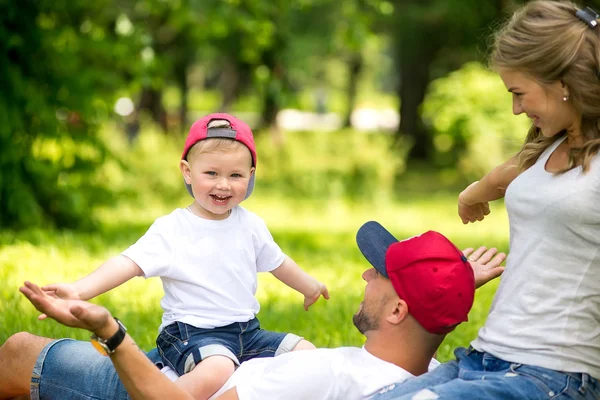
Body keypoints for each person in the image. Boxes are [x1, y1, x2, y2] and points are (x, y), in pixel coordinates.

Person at [0, 221, 506, 400]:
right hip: (221, 362)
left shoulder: (320, 375)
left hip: (157, 385)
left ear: (398, 310)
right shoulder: (436, 377)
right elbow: (428, 314)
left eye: (379, 272)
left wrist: (110, 330)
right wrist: (453, 284)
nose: (365, 275)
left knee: (19, 351)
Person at [373, 2, 600, 399]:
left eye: (519, 93)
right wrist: (470, 195)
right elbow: (502, 177)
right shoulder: (550, 148)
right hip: (484, 357)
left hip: (554, 374)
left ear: (563, 83)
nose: (515, 109)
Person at [36, 113, 329, 400]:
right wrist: (78, 290)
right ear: (188, 171)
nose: (223, 184)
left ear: (250, 176)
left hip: (247, 333)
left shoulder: (250, 225)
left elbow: (278, 263)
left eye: (235, 175)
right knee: (217, 368)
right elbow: (127, 263)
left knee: (305, 353)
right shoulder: (174, 229)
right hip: (190, 334)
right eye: (211, 173)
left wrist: (309, 286)